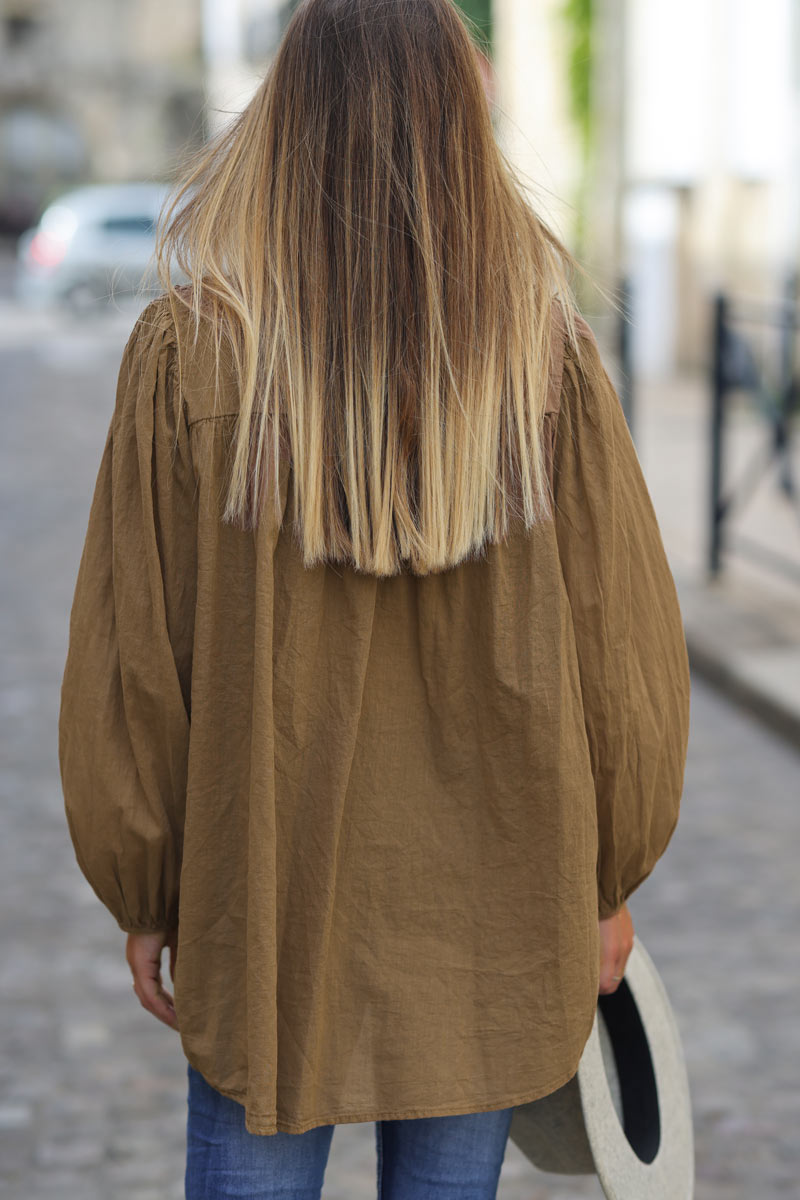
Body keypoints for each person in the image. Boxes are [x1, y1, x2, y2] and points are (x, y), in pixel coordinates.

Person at [57, 0, 691, 1197]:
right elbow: (627, 669)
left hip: (268, 904)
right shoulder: (540, 362)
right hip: (494, 915)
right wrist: (605, 882)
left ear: (282, 123)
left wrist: (144, 884)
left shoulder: (186, 355)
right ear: (462, 125)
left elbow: (137, 664)